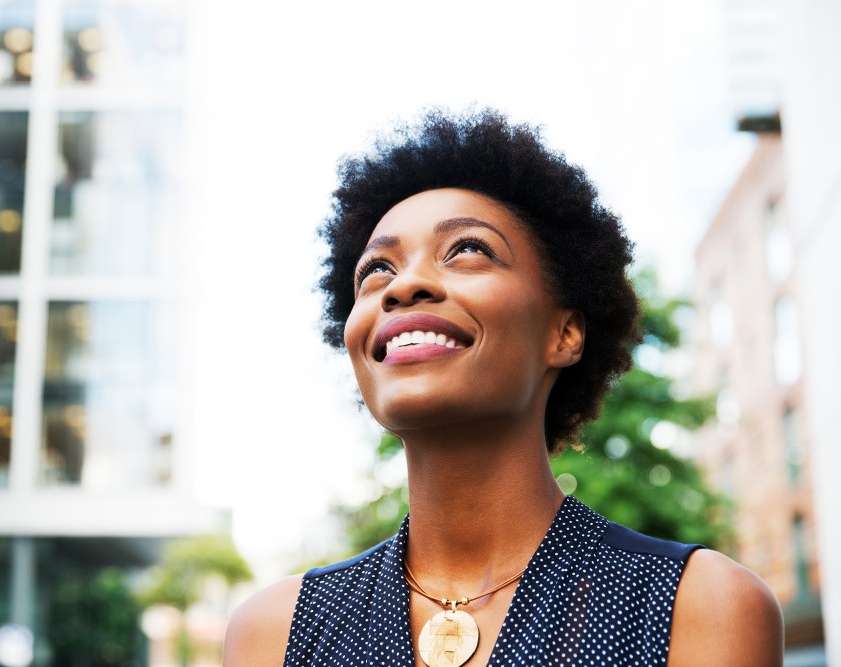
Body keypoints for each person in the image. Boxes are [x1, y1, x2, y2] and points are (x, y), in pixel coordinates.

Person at [223, 108, 783, 666]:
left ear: (564, 333)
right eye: (377, 270)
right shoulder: (272, 634)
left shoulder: (700, 607)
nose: (404, 285)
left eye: (467, 250)